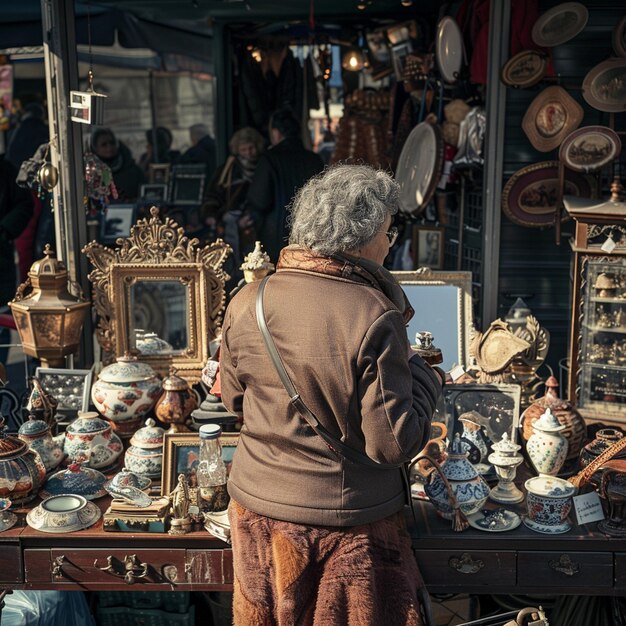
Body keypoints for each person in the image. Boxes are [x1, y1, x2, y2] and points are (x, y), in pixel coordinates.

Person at [220, 164, 445, 625]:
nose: (389, 242)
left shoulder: (249, 300)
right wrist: (426, 381)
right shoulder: (374, 313)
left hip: (256, 514)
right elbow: (393, 445)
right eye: (387, 231)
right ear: (360, 241)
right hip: (344, 529)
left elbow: (235, 403)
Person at [241, 107, 323, 262]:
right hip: (311, 235)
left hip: (277, 237)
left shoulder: (270, 159)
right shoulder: (314, 159)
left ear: (276, 133)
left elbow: (259, 200)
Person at [201, 127, 265, 284]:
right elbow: (214, 195)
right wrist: (213, 216)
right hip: (230, 224)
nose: (249, 153)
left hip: (255, 225)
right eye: (244, 149)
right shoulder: (229, 169)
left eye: (251, 148)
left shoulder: (264, 166)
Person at [0, 157, 34, 365]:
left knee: (1, 325)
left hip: (0, 258)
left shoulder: (5, 169)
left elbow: (24, 204)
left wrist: (4, 230)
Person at [90, 128, 144, 202]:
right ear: (96, 149)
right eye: (104, 145)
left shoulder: (132, 169)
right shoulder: (91, 173)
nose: (109, 147)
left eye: (112, 143)